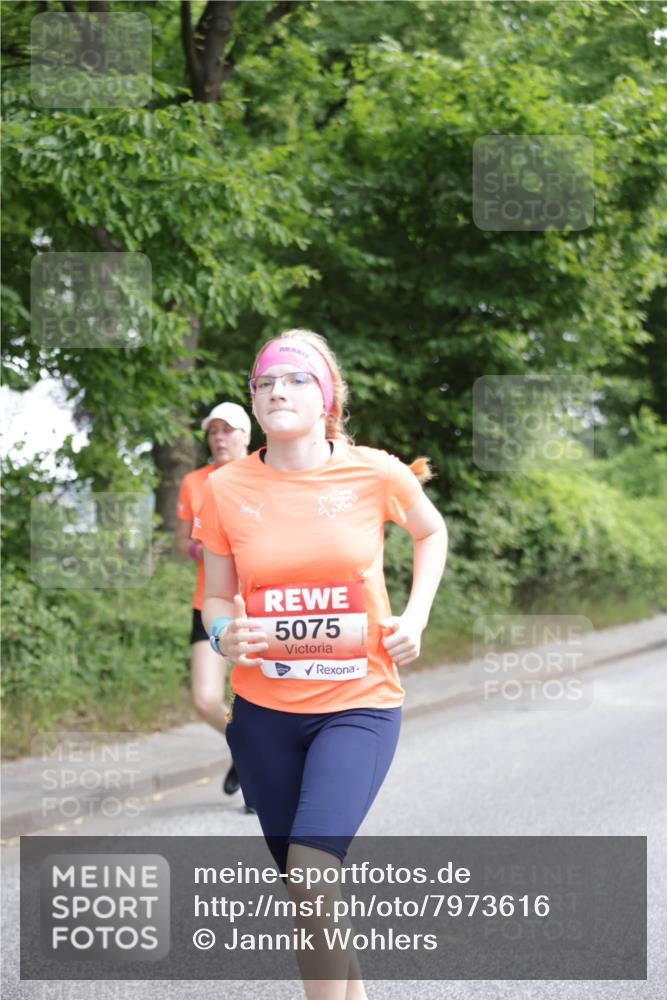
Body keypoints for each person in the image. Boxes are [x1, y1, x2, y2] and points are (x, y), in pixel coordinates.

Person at [193, 330, 447, 999]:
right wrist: (223, 633)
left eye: (295, 379)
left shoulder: (375, 472)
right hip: (262, 718)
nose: (277, 390)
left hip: (358, 705)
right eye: (264, 382)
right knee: (309, 890)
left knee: (309, 872)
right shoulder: (223, 487)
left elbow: (430, 531)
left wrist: (414, 617)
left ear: (326, 396)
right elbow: (217, 594)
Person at [174, 401, 255, 810]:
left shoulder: (263, 475)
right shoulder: (194, 482)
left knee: (264, 701)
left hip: (261, 603)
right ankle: (247, 750)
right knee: (206, 698)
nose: (220, 438)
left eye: (228, 430)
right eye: (213, 431)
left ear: (246, 435)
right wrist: (202, 547)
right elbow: (183, 539)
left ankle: (262, 772)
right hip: (209, 604)